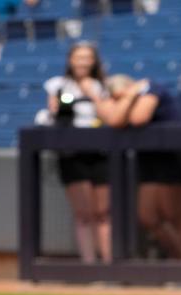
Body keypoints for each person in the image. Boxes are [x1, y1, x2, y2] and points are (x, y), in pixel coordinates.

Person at [99, 74, 181, 260]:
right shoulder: (131, 97)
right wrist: (126, 99)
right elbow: (114, 119)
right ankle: (180, 262)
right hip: (150, 161)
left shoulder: (153, 88)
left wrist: (129, 97)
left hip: (174, 158)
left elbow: (138, 118)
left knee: (176, 218)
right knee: (148, 217)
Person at [40, 42, 112, 264]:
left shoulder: (102, 86)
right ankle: (89, 264)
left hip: (100, 151)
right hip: (71, 152)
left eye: (87, 57)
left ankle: (109, 264)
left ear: (94, 61)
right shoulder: (58, 85)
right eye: (78, 57)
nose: (82, 62)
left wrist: (94, 94)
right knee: (83, 213)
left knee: (103, 212)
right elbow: (52, 116)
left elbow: (109, 115)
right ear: (70, 60)